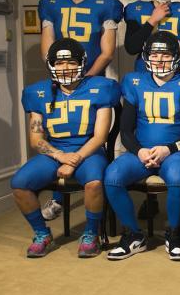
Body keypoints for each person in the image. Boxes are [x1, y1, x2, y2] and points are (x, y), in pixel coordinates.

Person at [11, 38, 119, 258]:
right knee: (19, 184)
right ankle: (42, 234)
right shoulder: (38, 93)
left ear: (82, 62)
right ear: (51, 64)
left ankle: (91, 234)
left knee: (95, 182)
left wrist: (75, 159)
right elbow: (36, 139)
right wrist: (60, 155)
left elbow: (100, 137)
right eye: (59, 63)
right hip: (54, 151)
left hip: (88, 150)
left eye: (70, 62)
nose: (65, 68)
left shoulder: (100, 87)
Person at [37, 0, 123, 221]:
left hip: (93, 76)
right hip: (61, 76)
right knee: (61, 130)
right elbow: (47, 47)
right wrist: (62, 74)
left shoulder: (105, 4)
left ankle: (98, 183)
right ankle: (59, 194)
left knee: (94, 134)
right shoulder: (50, 4)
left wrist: (84, 77)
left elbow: (107, 52)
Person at [105, 31, 180, 261]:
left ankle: (174, 233)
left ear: (176, 57)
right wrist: (139, 151)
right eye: (155, 54)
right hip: (141, 151)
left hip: (174, 152)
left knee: (178, 177)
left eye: (166, 54)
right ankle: (133, 235)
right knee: (112, 176)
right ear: (146, 56)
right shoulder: (134, 81)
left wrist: (168, 149)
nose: (159, 60)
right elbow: (126, 130)